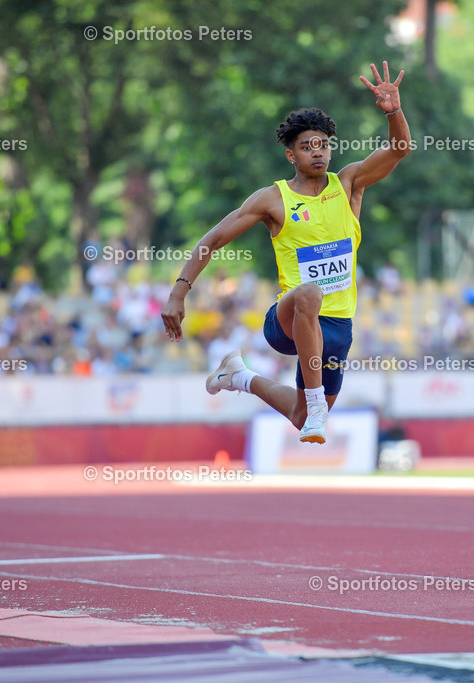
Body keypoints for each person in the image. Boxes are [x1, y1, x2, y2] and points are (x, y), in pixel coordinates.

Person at [161, 62, 410, 444]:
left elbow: (399, 149)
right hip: (288, 319)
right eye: (307, 147)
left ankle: (238, 377)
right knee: (311, 293)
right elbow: (213, 237)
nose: (318, 153)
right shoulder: (273, 199)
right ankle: (319, 410)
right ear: (291, 155)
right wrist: (180, 290)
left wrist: (394, 112)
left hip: (337, 327)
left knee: (299, 417)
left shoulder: (348, 184)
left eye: (324, 145)